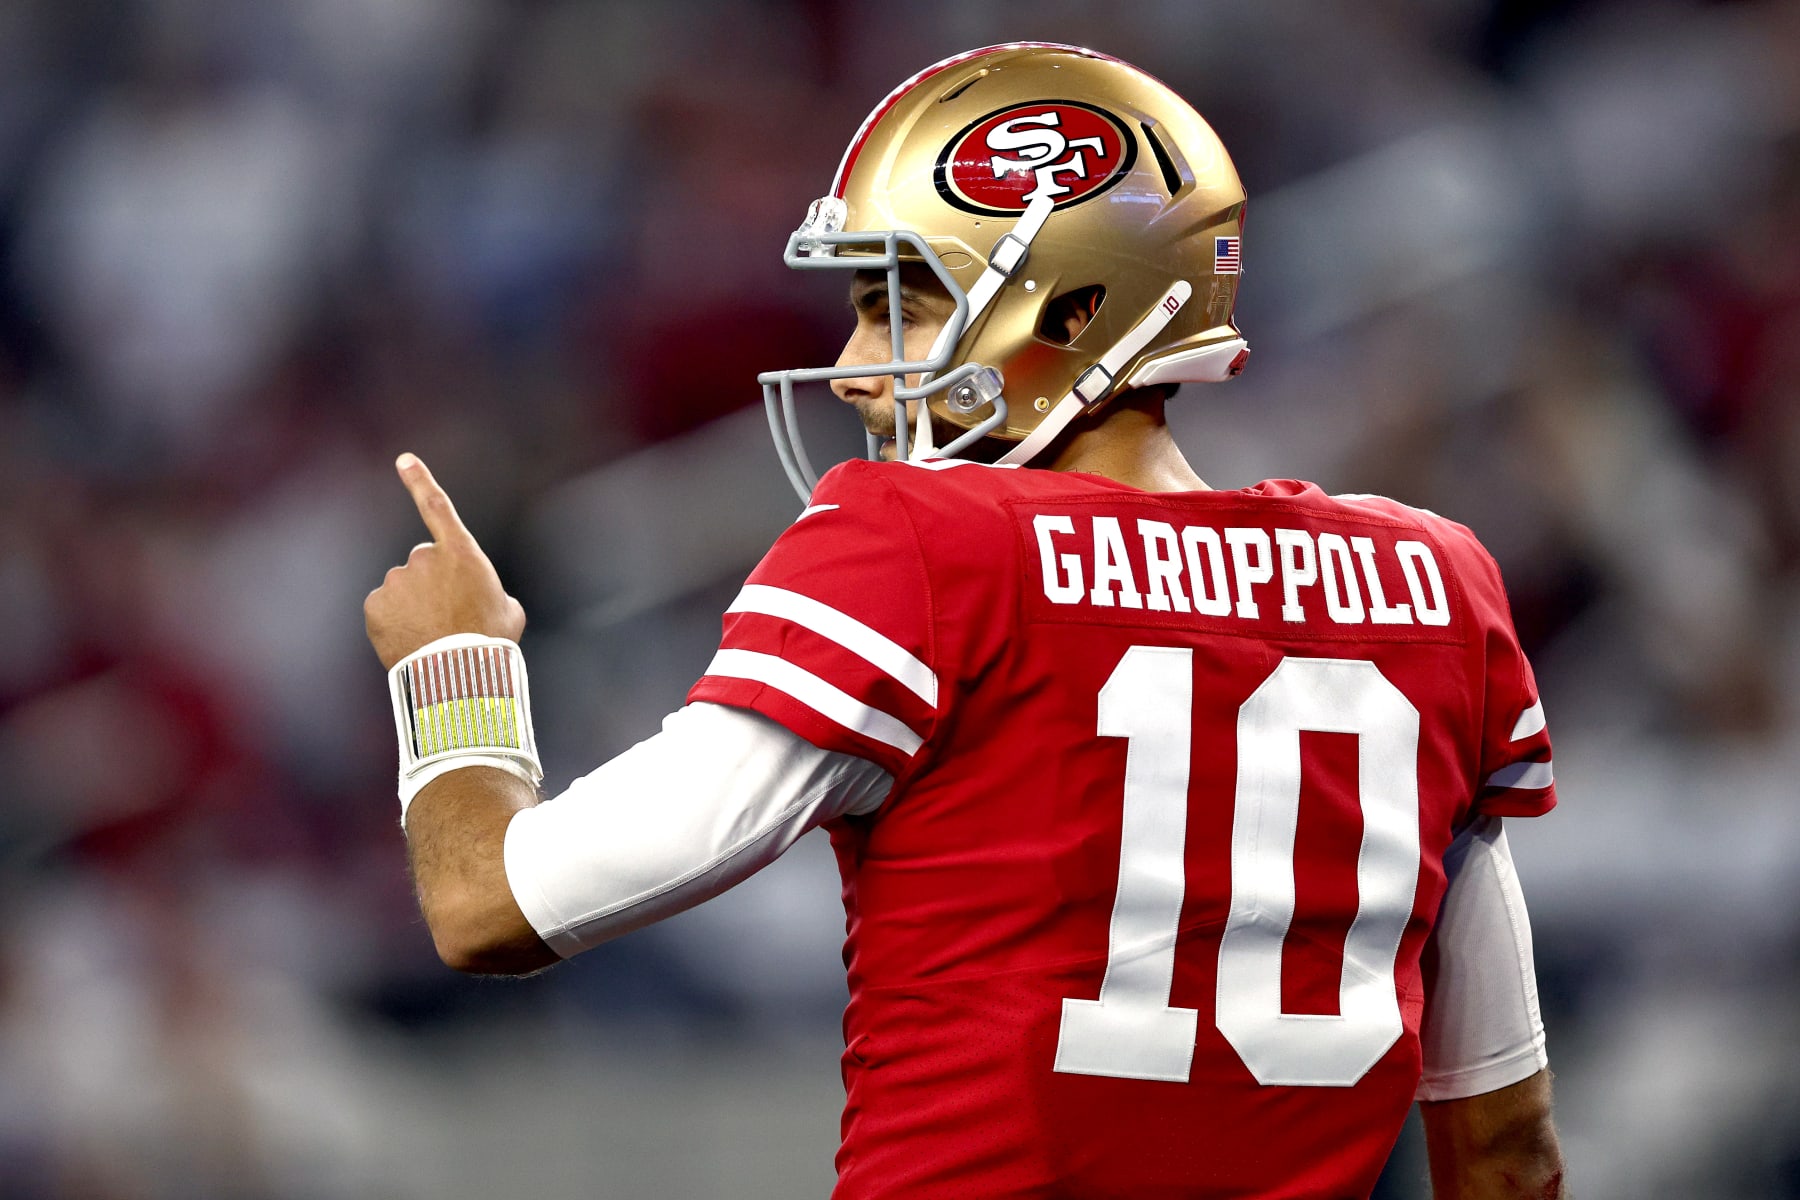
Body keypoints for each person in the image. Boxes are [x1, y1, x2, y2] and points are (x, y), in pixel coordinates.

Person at [364, 42, 1568, 1199]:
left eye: (903, 309)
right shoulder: (1436, 587)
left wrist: (453, 666)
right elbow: (1506, 1146)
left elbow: (496, 908)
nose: (848, 365)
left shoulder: (931, 550)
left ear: (1075, 312)